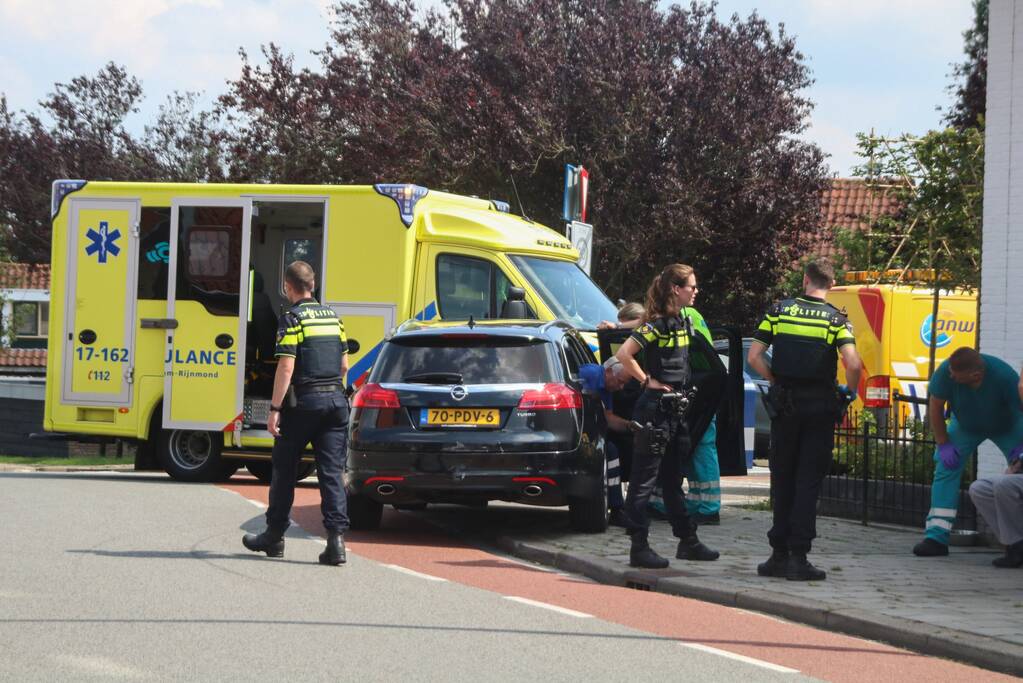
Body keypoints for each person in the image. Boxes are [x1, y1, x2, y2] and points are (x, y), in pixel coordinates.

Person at [748, 260, 861, 581]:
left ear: (805, 280)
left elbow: (754, 356)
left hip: (785, 406)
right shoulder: (837, 320)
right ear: (832, 284)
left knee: (783, 477)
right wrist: (848, 394)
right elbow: (853, 364)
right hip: (820, 407)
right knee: (808, 480)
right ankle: (799, 558)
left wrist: (776, 381)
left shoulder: (778, 312)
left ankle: (778, 555)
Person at [243, 260, 351, 566]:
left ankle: (274, 536)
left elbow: (286, 366)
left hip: (304, 404)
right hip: (336, 403)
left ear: (287, 287)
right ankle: (336, 543)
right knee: (331, 474)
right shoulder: (334, 318)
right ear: (313, 285)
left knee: (284, 469)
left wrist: (275, 408)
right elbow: (344, 366)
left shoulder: (292, 319)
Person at [615, 264, 719, 568]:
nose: (696, 291)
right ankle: (639, 547)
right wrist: (646, 381)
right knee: (643, 481)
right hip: (655, 411)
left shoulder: (683, 319)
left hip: (675, 410)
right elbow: (624, 354)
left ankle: (688, 541)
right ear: (676, 289)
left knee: (673, 479)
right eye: (691, 286)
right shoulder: (657, 325)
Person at [913, 347, 1023, 558]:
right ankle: (936, 538)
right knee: (946, 468)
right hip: (965, 426)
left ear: (976, 375)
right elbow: (935, 405)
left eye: (956, 375)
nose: (951, 376)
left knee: (1019, 471)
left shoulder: (1004, 376)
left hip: (1007, 427)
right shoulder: (946, 371)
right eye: (950, 372)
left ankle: (1016, 541)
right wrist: (943, 443)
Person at [579, 357, 636, 526]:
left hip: (589, 432)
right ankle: (616, 508)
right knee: (610, 451)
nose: (621, 387)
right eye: (620, 382)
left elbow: (608, 418)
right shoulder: (589, 375)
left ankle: (617, 507)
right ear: (609, 371)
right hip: (576, 431)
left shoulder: (606, 388)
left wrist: (631, 426)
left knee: (611, 450)